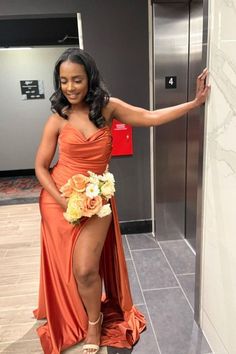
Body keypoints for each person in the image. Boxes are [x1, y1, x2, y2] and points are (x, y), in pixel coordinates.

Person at [33, 47, 210, 354]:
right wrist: (63, 203)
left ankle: (94, 323)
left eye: (76, 79)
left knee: (86, 269)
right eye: (63, 81)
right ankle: (70, 313)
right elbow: (40, 167)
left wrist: (195, 103)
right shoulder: (57, 120)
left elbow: (151, 117)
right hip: (58, 201)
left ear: (89, 78)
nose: (70, 87)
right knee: (66, 269)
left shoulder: (108, 108)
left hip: (98, 198)